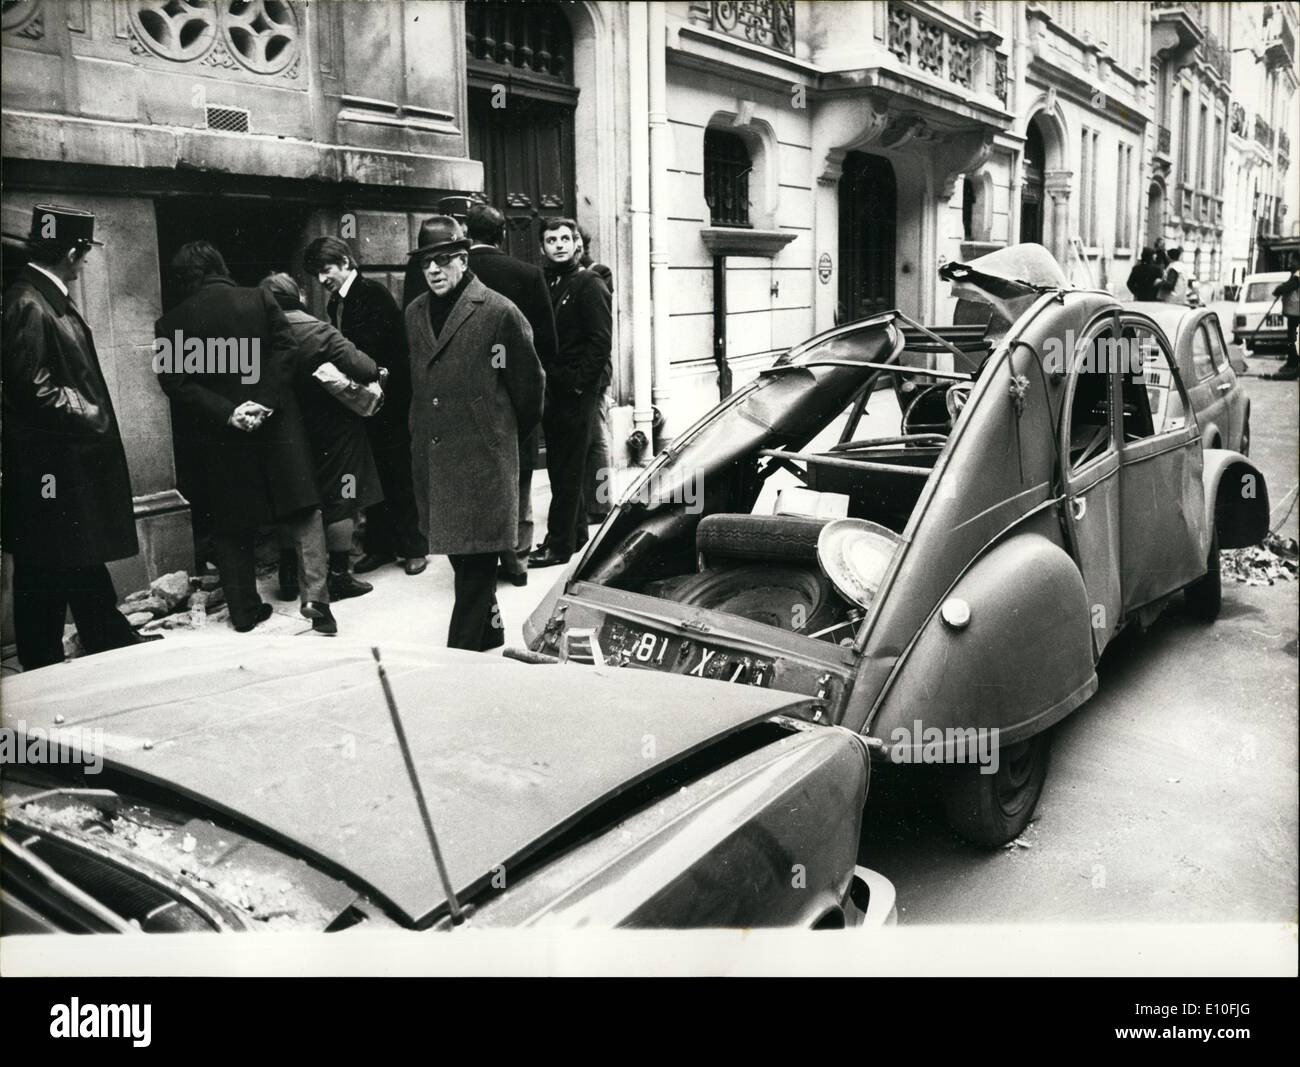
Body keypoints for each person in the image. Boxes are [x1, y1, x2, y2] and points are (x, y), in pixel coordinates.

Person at [1, 204, 161, 669]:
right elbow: (32, 387)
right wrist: (90, 413)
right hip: (52, 466)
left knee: (65, 558)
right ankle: (56, 657)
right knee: (50, 564)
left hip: (54, 466)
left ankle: (103, 639)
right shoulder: (29, 303)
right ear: (72, 252)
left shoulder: (35, 298)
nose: (85, 262)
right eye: (84, 253)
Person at [155, 241, 333, 634]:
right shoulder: (260, 299)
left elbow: (174, 382)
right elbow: (287, 350)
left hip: (223, 435)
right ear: (220, 265)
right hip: (277, 425)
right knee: (303, 508)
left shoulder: (170, 323)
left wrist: (228, 411)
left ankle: (244, 611)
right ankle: (317, 601)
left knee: (230, 523)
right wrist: (264, 402)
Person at [404, 217, 545, 651]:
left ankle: (460, 658)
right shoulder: (414, 313)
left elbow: (527, 384)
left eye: (443, 260)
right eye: (427, 262)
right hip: (435, 455)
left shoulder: (499, 312)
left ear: (464, 260)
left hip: (483, 459)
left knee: (474, 570)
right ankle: (489, 634)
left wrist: (497, 432)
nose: (434, 270)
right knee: (462, 561)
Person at [303, 236, 428, 576]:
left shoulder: (371, 293)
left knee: (397, 473)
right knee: (373, 477)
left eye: (325, 270)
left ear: (345, 262)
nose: (322, 279)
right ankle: (382, 546)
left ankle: (414, 547)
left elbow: (379, 348)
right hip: (366, 401)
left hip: (390, 400)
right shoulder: (337, 302)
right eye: (316, 274)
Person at [259, 273, 384, 606]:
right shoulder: (319, 330)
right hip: (336, 430)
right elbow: (366, 367)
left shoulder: (259, 337)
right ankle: (339, 574)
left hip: (287, 433)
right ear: (298, 295)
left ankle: (289, 573)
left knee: (296, 500)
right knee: (344, 496)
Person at [462, 202, 559, 587]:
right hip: (515, 392)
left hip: (466, 392)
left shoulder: (456, 274)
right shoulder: (528, 274)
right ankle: (516, 558)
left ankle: (480, 552)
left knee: (473, 476)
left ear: (467, 233)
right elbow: (547, 344)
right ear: (502, 235)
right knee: (517, 474)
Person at [529, 216, 613, 568]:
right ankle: (576, 533)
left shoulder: (588, 283)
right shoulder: (544, 281)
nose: (560, 244)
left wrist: (580, 384)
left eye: (566, 238)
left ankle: (559, 545)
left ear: (577, 243)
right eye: (552, 239)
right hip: (551, 390)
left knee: (566, 472)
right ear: (543, 246)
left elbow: (600, 342)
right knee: (562, 468)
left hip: (575, 392)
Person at [575, 225, 615, 526]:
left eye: (572, 239)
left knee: (596, 437)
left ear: (582, 244)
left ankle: (600, 503)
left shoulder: (598, 273)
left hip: (594, 373)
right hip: (578, 371)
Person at [1271, 252, 1300, 381]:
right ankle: (1291, 362)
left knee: (1293, 339)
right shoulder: (1295, 274)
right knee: (1291, 339)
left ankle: (1292, 363)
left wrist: (1278, 290)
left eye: (1293, 261)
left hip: (1296, 312)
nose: (1290, 263)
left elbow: (1288, 287)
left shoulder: (1298, 275)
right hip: (1294, 312)